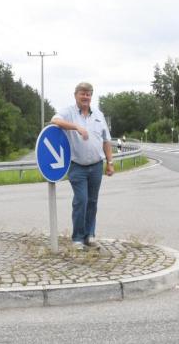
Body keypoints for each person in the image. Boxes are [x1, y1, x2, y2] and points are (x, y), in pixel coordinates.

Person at [50, 82, 115, 250]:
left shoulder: (98, 115)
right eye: (82, 93)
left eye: (88, 94)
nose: (85, 97)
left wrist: (110, 163)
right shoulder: (69, 112)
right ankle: (77, 239)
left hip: (96, 166)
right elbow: (54, 120)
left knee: (92, 201)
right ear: (76, 95)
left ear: (91, 96)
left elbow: (106, 141)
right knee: (81, 200)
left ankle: (89, 236)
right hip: (77, 166)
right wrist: (76, 127)